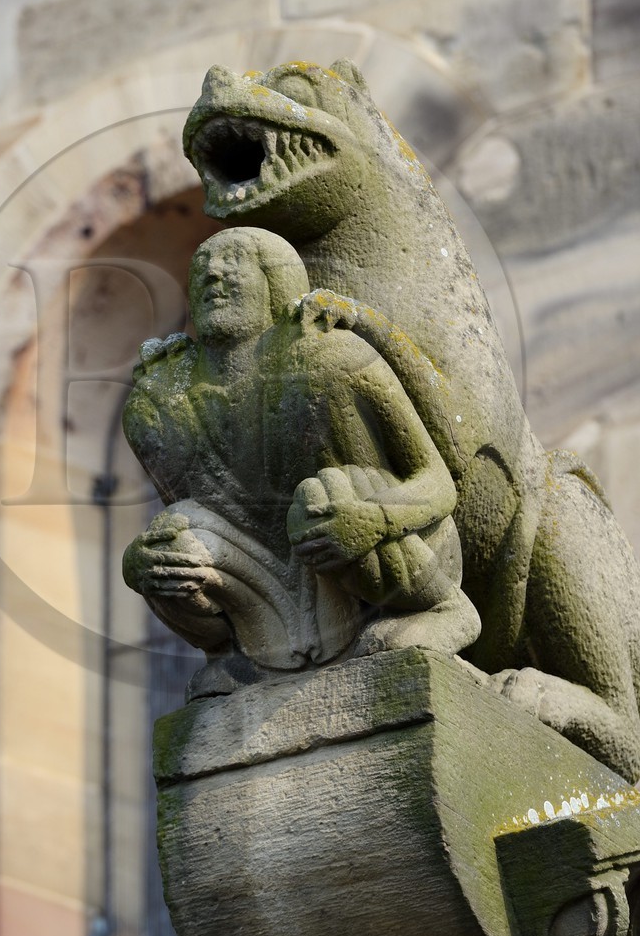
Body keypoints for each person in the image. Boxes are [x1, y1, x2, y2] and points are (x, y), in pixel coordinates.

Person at [122, 227, 479, 693]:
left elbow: (436, 482)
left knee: (327, 496)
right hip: (266, 571)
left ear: (277, 283)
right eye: (202, 268)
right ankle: (243, 655)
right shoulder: (162, 399)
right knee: (173, 538)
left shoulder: (332, 356)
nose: (213, 273)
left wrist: (373, 519)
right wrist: (140, 561)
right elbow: (197, 513)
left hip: (395, 552)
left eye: (236, 261)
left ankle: (448, 612)